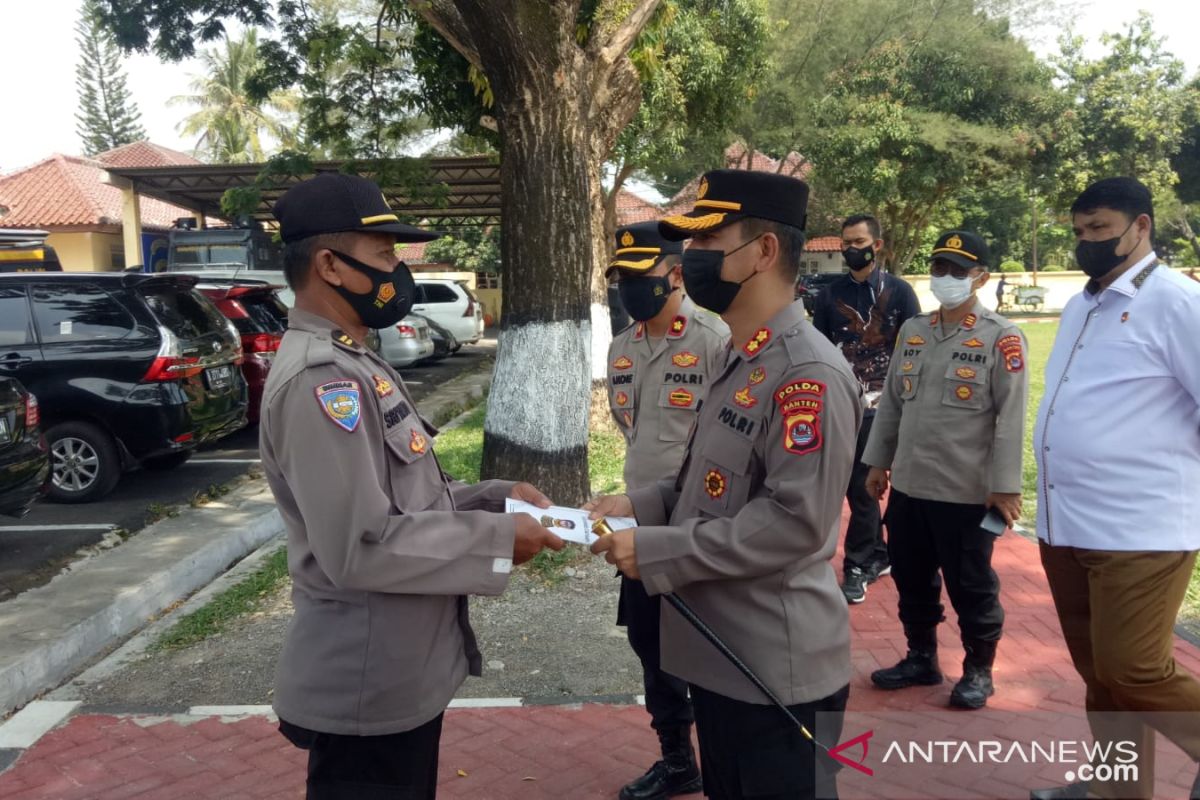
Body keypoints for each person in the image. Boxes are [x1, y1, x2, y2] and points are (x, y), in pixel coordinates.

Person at [259, 173, 564, 800]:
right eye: (384, 255)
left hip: (398, 674)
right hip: (366, 689)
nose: (399, 270)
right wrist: (500, 537)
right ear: (329, 265)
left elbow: (405, 497)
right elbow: (360, 546)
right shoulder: (323, 382)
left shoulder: (357, 360)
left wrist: (494, 495)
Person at [589, 169, 862, 800]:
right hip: (723, 658)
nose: (692, 258)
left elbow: (795, 522)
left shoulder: (806, 373)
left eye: (710, 241)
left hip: (775, 670)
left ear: (764, 252)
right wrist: (639, 504)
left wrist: (658, 550)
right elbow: (706, 486)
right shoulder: (745, 358)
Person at [1029, 177, 1200, 800]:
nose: (1087, 243)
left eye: (1100, 229)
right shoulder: (1082, 304)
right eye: (1078, 232)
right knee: (1099, 674)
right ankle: (1116, 790)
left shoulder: (1179, 302)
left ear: (1142, 227)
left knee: (1134, 670)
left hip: (1142, 526)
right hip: (1067, 521)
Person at [862, 229, 1028, 711]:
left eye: (959, 270)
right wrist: (877, 462)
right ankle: (921, 657)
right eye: (939, 268)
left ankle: (979, 669)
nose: (947, 278)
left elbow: (1009, 418)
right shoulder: (914, 331)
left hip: (965, 491)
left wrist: (1004, 487)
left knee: (971, 585)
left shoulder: (1001, 337)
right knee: (912, 578)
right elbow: (891, 403)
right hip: (911, 486)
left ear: (981, 277)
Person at [604, 221, 730, 800]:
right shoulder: (622, 347)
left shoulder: (713, 339)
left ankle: (729, 758)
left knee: (706, 646)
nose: (630, 287)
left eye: (641, 276)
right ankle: (677, 759)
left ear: (674, 274)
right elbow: (629, 428)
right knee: (651, 647)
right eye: (622, 278)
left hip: (694, 524)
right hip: (637, 523)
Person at [812, 213, 920, 604]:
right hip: (842, 405)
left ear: (877, 246)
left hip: (884, 406)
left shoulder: (901, 292)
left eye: (858, 242)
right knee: (854, 486)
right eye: (846, 242)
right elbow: (819, 351)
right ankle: (876, 553)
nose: (850, 250)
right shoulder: (829, 295)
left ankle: (857, 566)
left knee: (862, 487)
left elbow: (913, 349)